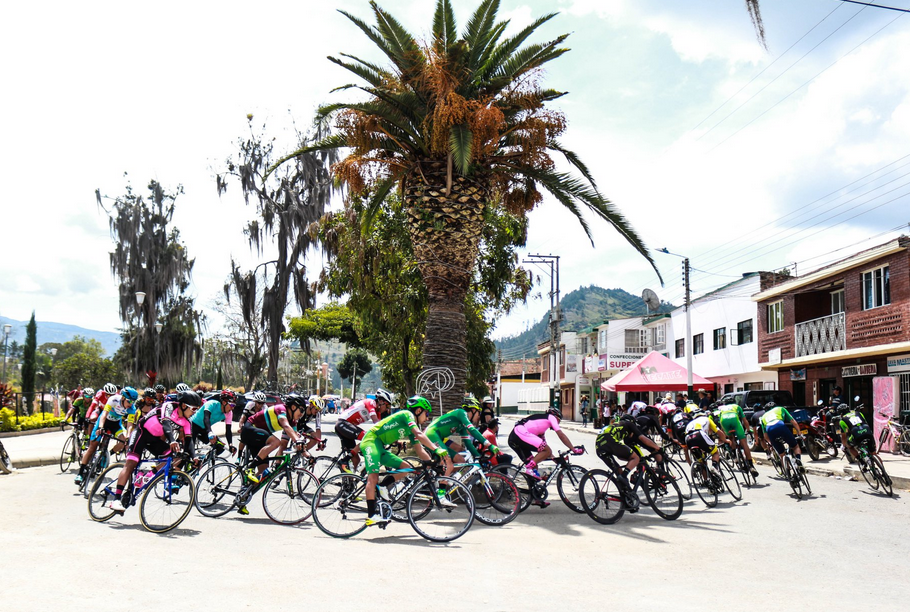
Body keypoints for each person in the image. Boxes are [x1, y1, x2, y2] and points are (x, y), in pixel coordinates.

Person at [105, 390, 203, 512]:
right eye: (194, 409)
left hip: (154, 439)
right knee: (131, 463)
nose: (195, 412)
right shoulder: (169, 407)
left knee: (173, 457)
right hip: (141, 433)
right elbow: (166, 424)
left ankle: (147, 476)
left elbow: (189, 441)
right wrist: (172, 440)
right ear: (183, 405)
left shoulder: (187, 422)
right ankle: (116, 499)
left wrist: (194, 457)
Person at [359, 402, 445, 526]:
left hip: (380, 446)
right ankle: (371, 515)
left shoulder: (411, 429)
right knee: (373, 477)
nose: (427, 418)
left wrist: (433, 465)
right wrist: (436, 449)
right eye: (426, 414)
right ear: (418, 411)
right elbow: (419, 434)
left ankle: (383, 486)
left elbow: (419, 450)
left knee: (406, 468)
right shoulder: (407, 414)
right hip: (371, 441)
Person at [74, 387, 139, 486]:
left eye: (133, 402)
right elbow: (104, 414)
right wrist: (100, 427)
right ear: (123, 397)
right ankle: (80, 473)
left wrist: (128, 435)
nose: (130, 404)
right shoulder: (114, 399)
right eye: (129, 401)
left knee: (123, 441)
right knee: (92, 447)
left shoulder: (132, 408)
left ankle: (107, 454)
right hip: (104, 422)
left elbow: (130, 424)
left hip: (116, 424)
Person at [421, 395, 498, 476]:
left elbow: (468, 443)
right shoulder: (462, 413)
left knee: (460, 461)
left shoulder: (462, 424)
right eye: (478, 412)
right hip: (431, 434)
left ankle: (443, 478)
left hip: (438, 437)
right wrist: (489, 445)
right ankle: (442, 482)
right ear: (473, 410)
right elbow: (472, 430)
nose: (479, 416)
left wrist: (479, 457)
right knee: (448, 463)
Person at [507, 407, 584, 485]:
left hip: (514, 437)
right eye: (559, 420)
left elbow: (545, 451)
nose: (558, 422)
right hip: (520, 432)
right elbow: (561, 435)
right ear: (556, 416)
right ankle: (528, 468)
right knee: (545, 452)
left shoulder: (540, 429)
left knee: (534, 467)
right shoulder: (551, 417)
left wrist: (556, 460)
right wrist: (573, 449)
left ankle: (531, 490)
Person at [595, 414, 665, 494]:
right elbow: (643, 438)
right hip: (609, 440)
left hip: (599, 446)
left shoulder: (615, 425)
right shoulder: (629, 424)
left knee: (618, 470)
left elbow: (620, 455)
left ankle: (625, 496)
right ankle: (624, 476)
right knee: (635, 458)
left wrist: (630, 460)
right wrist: (657, 448)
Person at [334, 393, 391, 471]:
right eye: (387, 406)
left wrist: (394, 439)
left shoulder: (377, 412)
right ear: (381, 401)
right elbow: (376, 423)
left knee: (356, 460)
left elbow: (382, 428)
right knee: (368, 437)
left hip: (347, 427)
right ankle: (344, 460)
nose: (387, 409)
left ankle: (350, 478)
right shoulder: (370, 403)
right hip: (343, 424)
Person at [718, 402, 759, 478]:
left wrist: (724, 435)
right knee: (744, 442)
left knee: (731, 438)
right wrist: (748, 430)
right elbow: (745, 420)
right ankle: (751, 466)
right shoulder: (737, 407)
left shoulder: (722, 409)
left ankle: (735, 457)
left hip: (724, 421)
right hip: (734, 419)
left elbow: (721, 424)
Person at [759, 402, 804, 472]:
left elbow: (765, 435)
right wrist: (799, 433)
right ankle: (798, 461)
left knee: (782, 454)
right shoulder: (781, 408)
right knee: (795, 446)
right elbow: (793, 422)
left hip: (770, 429)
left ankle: (787, 472)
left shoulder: (763, 416)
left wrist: (771, 443)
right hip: (780, 425)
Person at [189, 389, 236, 454]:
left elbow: (228, 430)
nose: (233, 408)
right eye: (232, 405)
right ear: (224, 402)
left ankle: (207, 459)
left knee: (220, 447)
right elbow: (206, 418)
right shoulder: (212, 404)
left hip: (204, 429)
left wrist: (230, 444)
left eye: (234, 406)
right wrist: (210, 432)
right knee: (190, 451)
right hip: (193, 425)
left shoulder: (229, 413)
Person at [684, 408, 729, 473]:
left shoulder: (690, 423)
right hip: (699, 434)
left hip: (688, 438)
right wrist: (725, 440)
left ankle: (706, 479)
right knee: (715, 452)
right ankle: (714, 467)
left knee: (702, 462)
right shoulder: (707, 419)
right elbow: (718, 431)